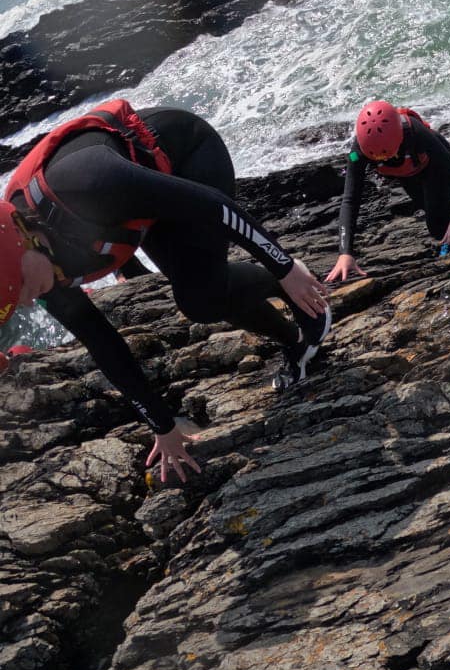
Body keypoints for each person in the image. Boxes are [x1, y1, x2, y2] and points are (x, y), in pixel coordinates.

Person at [0, 100, 331, 483]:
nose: (29, 299)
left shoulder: (87, 182)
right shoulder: (36, 267)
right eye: (18, 301)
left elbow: (213, 206)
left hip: (188, 156)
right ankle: (297, 344)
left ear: (23, 241)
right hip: (138, 208)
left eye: (22, 288)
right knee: (202, 297)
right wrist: (162, 425)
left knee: (202, 298)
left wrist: (283, 266)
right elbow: (101, 341)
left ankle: (291, 288)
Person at [326, 101, 450, 282]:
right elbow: (350, 199)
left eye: (388, 155)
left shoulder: (417, 133)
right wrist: (345, 253)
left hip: (433, 166)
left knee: (437, 223)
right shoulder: (358, 152)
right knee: (433, 218)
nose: (384, 159)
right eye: (379, 158)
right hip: (406, 173)